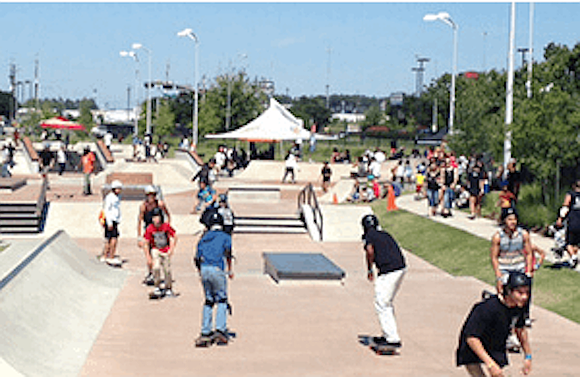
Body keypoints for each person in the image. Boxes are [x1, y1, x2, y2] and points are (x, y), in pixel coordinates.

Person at [456, 272, 533, 377]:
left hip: (495, 347)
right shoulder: (487, 308)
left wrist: (528, 356)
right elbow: (471, 338)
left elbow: (520, 329)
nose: (524, 297)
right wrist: (490, 364)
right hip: (473, 350)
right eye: (520, 293)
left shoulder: (519, 306)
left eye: (527, 293)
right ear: (509, 291)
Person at [361, 214, 406, 349]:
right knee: (385, 302)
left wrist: (369, 269)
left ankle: (392, 338)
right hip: (400, 268)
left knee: (382, 303)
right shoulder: (384, 234)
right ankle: (388, 334)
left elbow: (370, 251)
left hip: (389, 271)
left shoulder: (369, 236)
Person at [194, 212, 234, 346]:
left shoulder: (204, 237)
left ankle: (205, 331)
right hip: (217, 268)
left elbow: (196, 258)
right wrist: (230, 270)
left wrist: (201, 273)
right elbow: (228, 254)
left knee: (209, 301)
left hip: (205, 269)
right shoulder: (225, 237)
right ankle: (220, 330)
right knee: (222, 299)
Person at [138, 185, 171, 285]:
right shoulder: (144, 206)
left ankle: (158, 274)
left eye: (152, 195)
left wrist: (167, 226)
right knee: (148, 256)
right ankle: (150, 273)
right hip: (148, 232)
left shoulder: (160, 204)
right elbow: (139, 221)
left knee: (160, 254)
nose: (151, 197)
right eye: (149, 195)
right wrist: (139, 237)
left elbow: (168, 214)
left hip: (159, 232)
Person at [144, 207, 178, 299]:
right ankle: (157, 286)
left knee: (167, 270)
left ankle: (168, 288)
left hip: (165, 249)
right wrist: (148, 257)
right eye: (154, 217)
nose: (156, 220)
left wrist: (171, 249)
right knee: (156, 267)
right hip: (156, 249)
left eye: (157, 217)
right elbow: (146, 243)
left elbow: (174, 236)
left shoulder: (165, 226)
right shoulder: (150, 228)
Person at [556, 180, 580, 269]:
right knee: (576, 243)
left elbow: (565, 207)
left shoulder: (571, 194)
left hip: (573, 221)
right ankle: (573, 260)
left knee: (568, 242)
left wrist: (560, 219)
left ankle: (573, 257)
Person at [102, 180, 123, 267]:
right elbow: (107, 209)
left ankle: (108, 255)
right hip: (110, 220)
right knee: (112, 238)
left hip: (115, 220)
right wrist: (109, 222)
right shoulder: (110, 197)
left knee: (112, 238)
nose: (119, 190)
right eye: (117, 189)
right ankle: (108, 255)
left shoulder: (117, 197)